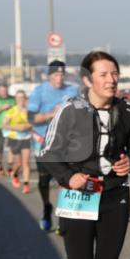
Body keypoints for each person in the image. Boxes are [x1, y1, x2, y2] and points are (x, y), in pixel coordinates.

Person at [42, 51, 130, 259]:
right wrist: (68, 176)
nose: (111, 80)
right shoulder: (70, 110)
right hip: (79, 195)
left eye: (114, 74)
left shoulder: (128, 113)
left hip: (116, 195)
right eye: (104, 74)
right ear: (88, 80)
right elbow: (48, 155)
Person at [28, 60, 79, 231]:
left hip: (65, 143)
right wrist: (52, 114)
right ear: (49, 75)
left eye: (62, 75)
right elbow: (31, 118)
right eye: (56, 75)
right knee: (43, 181)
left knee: (65, 180)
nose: (59, 78)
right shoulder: (39, 91)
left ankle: (63, 216)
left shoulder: (72, 90)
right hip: (43, 141)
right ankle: (46, 207)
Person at [3, 91, 33, 193]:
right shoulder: (12, 110)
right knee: (18, 163)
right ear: (15, 99)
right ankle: (14, 174)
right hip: (14, 138)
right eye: (18, 98)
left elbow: (34, 123)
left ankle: (26, 184)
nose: (20, 100)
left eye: (22, 98)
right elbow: (4, 125)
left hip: (26, 138)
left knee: (26, 162)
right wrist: (17, 127)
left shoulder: (29, 111)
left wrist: (27, 126)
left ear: (25, 99)